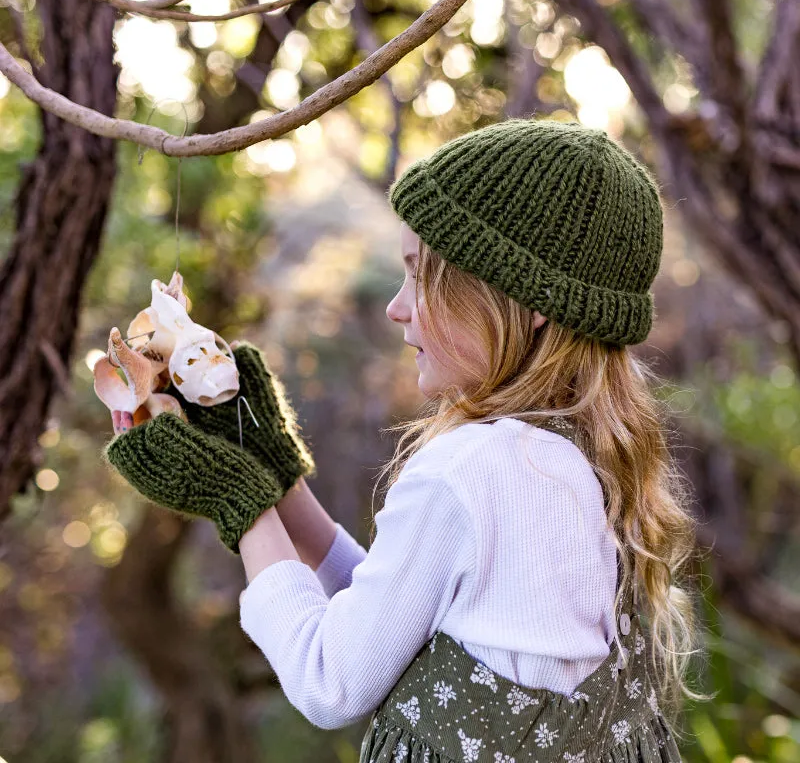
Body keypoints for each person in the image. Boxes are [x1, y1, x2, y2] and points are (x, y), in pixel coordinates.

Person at [104, 118, 707, 762]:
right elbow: (392, 617)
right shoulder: (578, 458)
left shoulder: (474, 467)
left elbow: (329, 680)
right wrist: (280, 484)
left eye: (424, 275)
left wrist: (239, 501)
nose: (397, 306)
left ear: (528, 302)